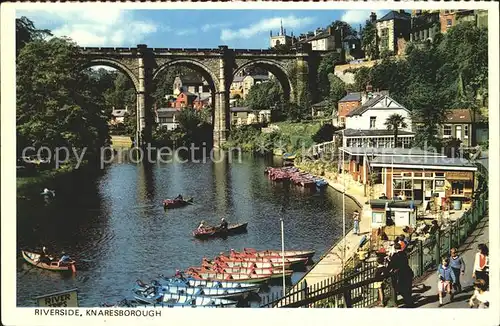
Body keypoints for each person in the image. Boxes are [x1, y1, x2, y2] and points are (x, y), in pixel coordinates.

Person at [387, 243, 414, 307]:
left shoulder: (395, 255)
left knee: (401, 288)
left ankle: (408, 301)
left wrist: (389, 262)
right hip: (408, 271)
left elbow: (392, 265)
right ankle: (409, 301)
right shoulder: (404, 254)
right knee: (408, 287)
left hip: (400, 274)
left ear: (395, 249)